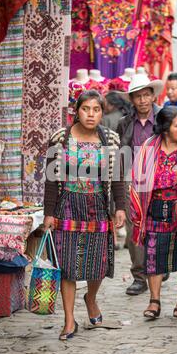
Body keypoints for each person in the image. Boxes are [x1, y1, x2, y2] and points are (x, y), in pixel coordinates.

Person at [43, 90, 126, 340]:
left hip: (97, 206)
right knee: (66, 264)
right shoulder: (59, 139)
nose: (91, 114)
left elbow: (119, 176)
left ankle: (90, 297)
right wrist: (48, 213)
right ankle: (69, 320)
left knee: (97, 263)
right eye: (85, 109)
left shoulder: (111, 139)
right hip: (67, 204)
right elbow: (50, 179)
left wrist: (120, 207)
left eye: (96, 109)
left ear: (102, 112)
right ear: (76, 111)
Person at [130, 107, 177, 320]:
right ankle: (154, 300)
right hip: (155, 207)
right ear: (166, 128)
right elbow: (138, 178)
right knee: (153, 254)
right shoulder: (149, 147)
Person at [117, 73, 163, 295]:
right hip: (132, 180)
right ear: (132, 100)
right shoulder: (124, 123)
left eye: (146, 95)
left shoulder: (164, 118)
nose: (143, 100)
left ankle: (158, 269)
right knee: (135, 228)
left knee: (159, 226)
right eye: (138, 96)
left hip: (161, 180)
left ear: (153, 96)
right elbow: (119, 155)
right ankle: (139, 276)